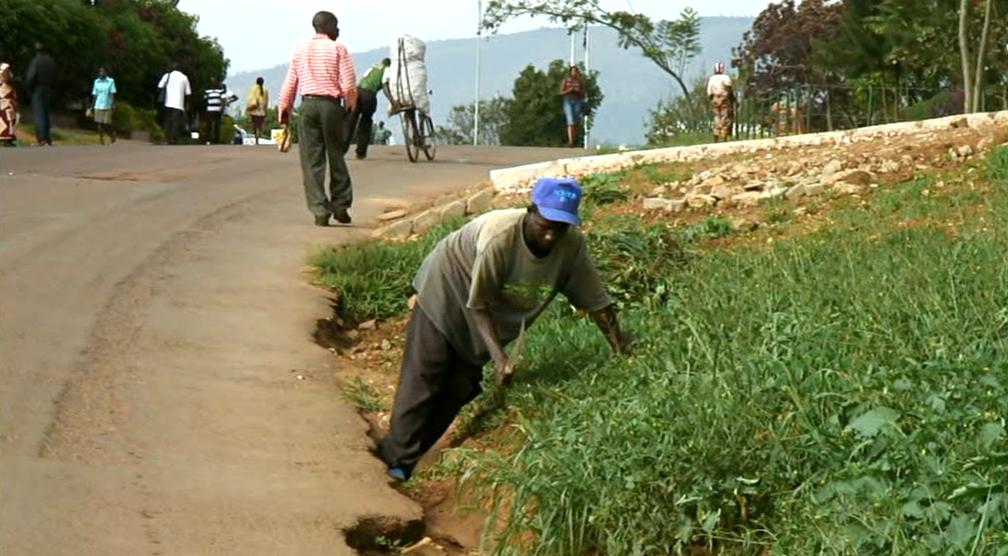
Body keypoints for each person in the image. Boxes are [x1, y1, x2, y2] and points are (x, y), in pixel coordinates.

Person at [374, 177, 634, 481]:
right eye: (545, 225)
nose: (551, 236)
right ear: (530, 211)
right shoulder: (500, 237)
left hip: (486, 305)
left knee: (461, 385)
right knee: (426, 371)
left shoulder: (571, 246)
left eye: (561, 228)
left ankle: (409, 455)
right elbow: (478, 304)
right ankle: (395, 460)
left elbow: (597, 302)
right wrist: (499, 358)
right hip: (448, 284)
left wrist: (620, 347)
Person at [278, 10, 358, 227]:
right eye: (336, 25)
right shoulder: (338, 48)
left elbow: (290, 83)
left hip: (308, 105)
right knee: (336, 155)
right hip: (331, 106)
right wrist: (350, 108)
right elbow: (349, 84)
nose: (338, 30)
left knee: (312, 161)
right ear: (328, 26)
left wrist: (284, 111)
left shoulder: (300, 49)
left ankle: (319, 210)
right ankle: (340, 203)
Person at [345, 57, 390, 159]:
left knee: (350, 121)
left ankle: (341, 149)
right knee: (365, 122)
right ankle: (360, 152)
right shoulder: (387, 70)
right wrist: (392, 100)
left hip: (357, 91)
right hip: (369, 95)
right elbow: (385, 86)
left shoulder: (373, 67)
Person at [25, 42, 56, 146]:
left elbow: (31, 77)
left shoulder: (36, 61)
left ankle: (41, 138)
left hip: (38, 89)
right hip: (49, 89)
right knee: (46, 114)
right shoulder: (51, 61)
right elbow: (55, 77)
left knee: (39, 114)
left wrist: (29, 88)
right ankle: (47, 138)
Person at [157, 63, 191, 144]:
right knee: (175, 121)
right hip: (178, 103)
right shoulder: (184, 77)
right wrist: (187, 104)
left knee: (167, 120)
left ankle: (166, 138)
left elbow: (160, 86)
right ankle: (173, 139)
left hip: (167, 102)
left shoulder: (167, 75)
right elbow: (188, 93)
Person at [707, 62, 735, 142]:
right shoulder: (725, 77)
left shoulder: (711, 79)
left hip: (715, 98)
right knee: (725, 116)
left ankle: (716, 133)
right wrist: (732, 97)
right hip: (724, 98)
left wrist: (712, 99)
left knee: (716, 116)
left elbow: (709, 91)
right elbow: (729, 88)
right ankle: (724, 135)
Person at [559, 65, 585, 147]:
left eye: (576, 71)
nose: (574, 73)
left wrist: (578, 91)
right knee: (570, 121)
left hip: (577, 100)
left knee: (575, 121)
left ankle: (575, 138)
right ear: (570, 72)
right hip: (568, 100)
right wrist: (569, 90)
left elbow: (583, 93)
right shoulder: (566, 80)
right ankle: (571, 141)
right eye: (573, 71)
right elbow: (561, 92)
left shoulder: (580, 81)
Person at [90, 66, 117, 145]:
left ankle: (112, 135)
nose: (101, 73)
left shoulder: (111, 81)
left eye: (103, 72)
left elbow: (113, 93)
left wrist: (113, 104)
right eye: (100, 72)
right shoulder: (96, 82)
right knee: (99, 124)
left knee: (107, 123)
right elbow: (95, 95)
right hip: (98, 105)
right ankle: (101, 139)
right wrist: (92, 106)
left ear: (106, 73)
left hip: (107, 105)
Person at [202, 77, 229, 144]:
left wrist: (222, 108)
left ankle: (215, 140)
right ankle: (208, 139)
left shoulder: (220, 91)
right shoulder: (207, 91)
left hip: (217, 110)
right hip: (210, 110)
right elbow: (205, 100)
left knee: (216, 125)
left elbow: (223, 100)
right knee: (209, 125)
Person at [246, 77, 269, 144]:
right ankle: (257, 138)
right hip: (262, 110)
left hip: (254, 109)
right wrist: (266, 110)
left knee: (254, 124)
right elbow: (266, 101)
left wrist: (248, 109)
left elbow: (250, 99)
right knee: (259, 125)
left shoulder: (253, 88)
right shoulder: (265, 90)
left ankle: (256, 137)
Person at [0, 62, 17, 146]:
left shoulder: (9, 75)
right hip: (4, 102)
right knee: (4, 119)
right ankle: (4, 136)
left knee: (10, 120)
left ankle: (8, 136)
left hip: (9, 104)